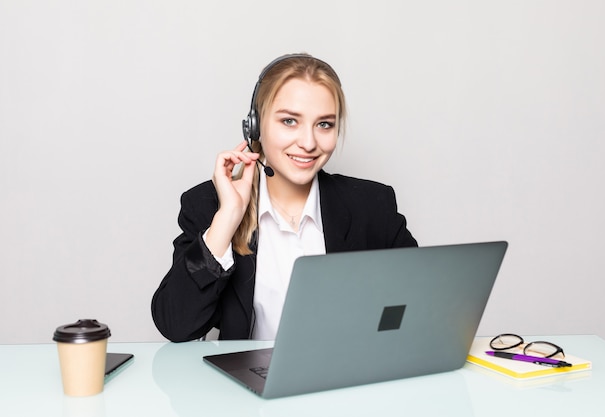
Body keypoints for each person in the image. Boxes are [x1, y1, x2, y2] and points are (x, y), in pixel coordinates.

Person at [151, 53, 417, 342]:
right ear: (254, 126)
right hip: (247, 382)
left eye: (324, 124)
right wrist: (227, 219)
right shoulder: (208, 205)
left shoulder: (372, 205)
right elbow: (175, 325)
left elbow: (419, 305)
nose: (308, 143)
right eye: (290, 121)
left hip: (347, 381)